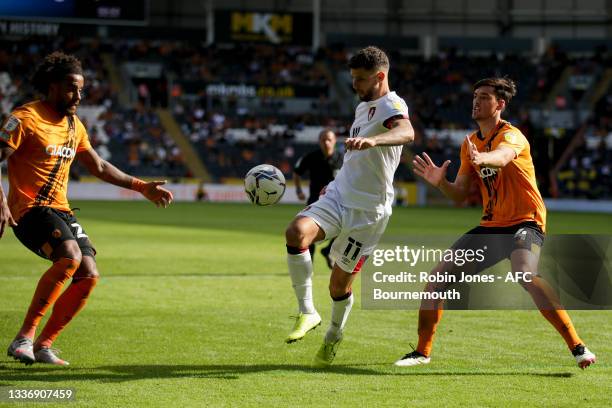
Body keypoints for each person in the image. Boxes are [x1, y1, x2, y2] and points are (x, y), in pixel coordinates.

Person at [394, 77, 596, 369]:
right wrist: (441, 184)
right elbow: (460, 194)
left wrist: (484, 158)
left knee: (525, 273)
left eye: (485, 96)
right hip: (492, 225)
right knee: (437, 281)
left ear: (499, 104)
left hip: (526, 221)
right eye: (475, 95)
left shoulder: (512, 135)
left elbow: (501, 158)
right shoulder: (469, 144)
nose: (476, 101)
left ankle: (577, 346)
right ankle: (422, 353)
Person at [0, 52, 174, 366]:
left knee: (89, 274)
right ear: (52, 86)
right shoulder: (25, 118)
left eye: (81, 89)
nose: (78, 95)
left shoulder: (73, 125)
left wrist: (140, 186)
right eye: (71, 88)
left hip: (60, 209)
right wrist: (0, 199)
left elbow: (98, 164)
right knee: (69, 256)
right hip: (29, 210)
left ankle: (43, 345)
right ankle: (23, 339)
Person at [284, 46, 414, 367]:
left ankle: (333, 336)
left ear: (380, 77)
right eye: (352, 78)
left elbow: (406, 131)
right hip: (339, 195)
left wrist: (375, 140)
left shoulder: (391, 104)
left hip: (368, 213)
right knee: (296, 232)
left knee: (338, 284)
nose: (354, 85)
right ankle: (307, 312)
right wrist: (340, 176)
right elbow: (358, 158)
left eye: (360, 79)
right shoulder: (362, 107)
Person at [293, 129, 343, 268]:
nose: (326, 142)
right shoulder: (311, 157)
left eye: (329, 139)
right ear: (319, 141)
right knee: (310, 234)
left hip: (338, 202)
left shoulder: (342, 158)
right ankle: (309, 265)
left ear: (334, 141)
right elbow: (297, 172)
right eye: (323, 140)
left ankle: (327, 251)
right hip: (316, 201)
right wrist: (298, 190)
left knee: (347, 228)